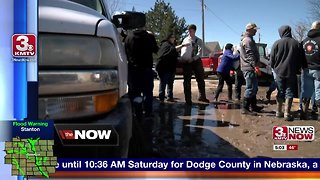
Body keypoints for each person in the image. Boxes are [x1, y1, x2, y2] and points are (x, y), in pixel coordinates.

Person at [125, 15, 159, 119]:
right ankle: (148, 113)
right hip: (146, 70)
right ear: (144, 24)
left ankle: (137, 113)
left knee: (135, 93)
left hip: (133, 71)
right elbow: (156, 50)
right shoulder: (149, 36)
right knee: (147, 93)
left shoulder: (128, 37)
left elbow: (125, 53)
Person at [270, 25, 306, 121]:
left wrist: (275, 68)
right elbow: (301, 59)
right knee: (289, 92)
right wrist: (297, 69)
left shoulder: (276, 43)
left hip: (279, 72)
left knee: (280, 91)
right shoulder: (297, 44)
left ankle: (278, 112)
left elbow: (271, 60)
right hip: (292, 72)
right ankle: (287, 113)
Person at [180, 24, 209, 105]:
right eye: (188, 31)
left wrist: (193, 58)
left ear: (194, 31)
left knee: (200, 79)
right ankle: (188, 100)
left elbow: (201, 51)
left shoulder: (198, 40)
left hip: (196, 61)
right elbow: (183, 50)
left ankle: (202, 96)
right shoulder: (185, 39)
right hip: (187, 63)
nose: (189, 32)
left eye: (191, 31)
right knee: (186, 81)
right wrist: (184, 58)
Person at [157, 33, 189, 103]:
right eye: (172, 37)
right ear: (169, 38)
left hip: (171, 68)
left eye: (174, 37)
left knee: (170, 83)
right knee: (163, 83)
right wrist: (182, 45)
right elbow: (172, 50)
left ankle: (169, 97)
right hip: (163, 68)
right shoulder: (165, 45)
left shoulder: (171, 45)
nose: (174, 39)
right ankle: (161, 98)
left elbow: (174, 53)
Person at [240, 23, 263, 115]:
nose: (256, 31)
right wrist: (255, 66)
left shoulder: (249, 39)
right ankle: (245, 108)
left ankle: (253, 106)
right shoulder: (247, 40)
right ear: (249, 29)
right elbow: (250, 55)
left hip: (250, 67)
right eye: (254, 29)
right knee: (250, 88)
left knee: (254, 87)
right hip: (248, 67)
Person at [301, 21, 320, 119]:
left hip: (306, 69)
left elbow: (300, 56)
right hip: (318, 69)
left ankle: (304, 112)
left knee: (306, 91)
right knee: (318, 91)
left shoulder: (304, 41)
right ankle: (316, 112)